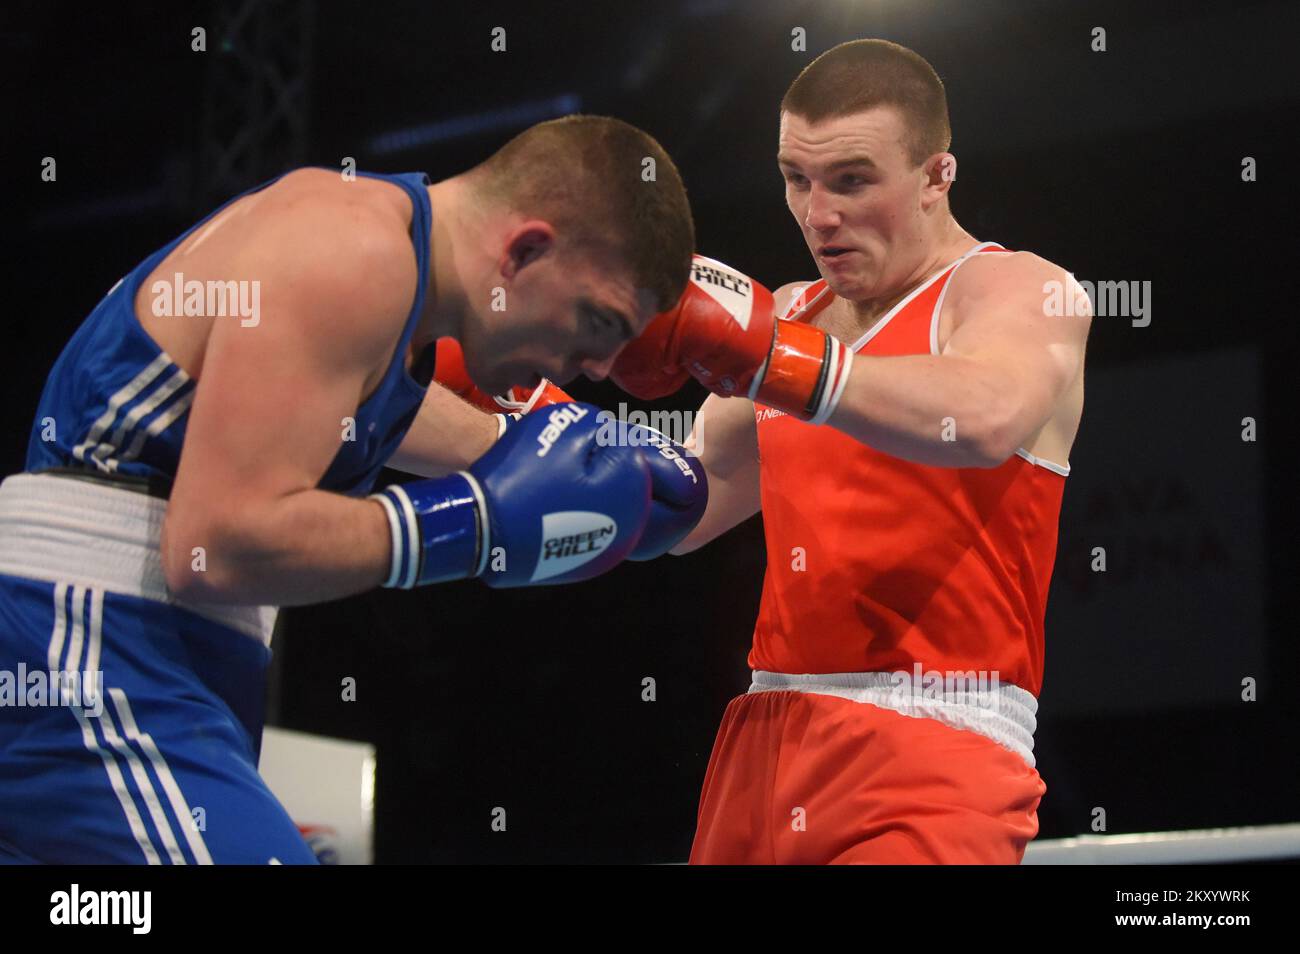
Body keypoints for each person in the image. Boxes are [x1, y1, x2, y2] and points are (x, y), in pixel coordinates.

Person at [0, 115, 703, 863]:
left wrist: (581, 462)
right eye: (599, 318)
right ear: (525, 248)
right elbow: (215, 543)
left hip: (150, 660)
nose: (598, 365)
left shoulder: (387, 302)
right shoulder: (352, 250)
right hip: (88, 646)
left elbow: (360, 416)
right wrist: (472, 525)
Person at [609, 39, 1093, 863]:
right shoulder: (788, 315)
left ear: (939, 176)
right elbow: (672, 506)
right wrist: (491, 414)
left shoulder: (1011, 290)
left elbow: (985, 414)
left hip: (935, 747)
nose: (817, 213)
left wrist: (775, 362)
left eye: (852, 180)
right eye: (796, 178)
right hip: (760, 747)